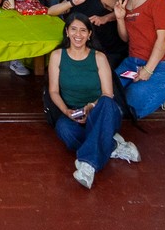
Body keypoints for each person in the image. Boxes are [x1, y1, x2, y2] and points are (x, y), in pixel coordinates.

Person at [48, 14, 140, 190]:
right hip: (74, 112)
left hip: (101, 110)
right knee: (63, 129)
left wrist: (91, 107)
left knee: (106, 102)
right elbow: (53, 91)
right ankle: (112, 145)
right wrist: (66, 111)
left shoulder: (98, 57)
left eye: (83, 30)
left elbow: (107, 94)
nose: (78, 34)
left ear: (89, 34)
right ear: (67, 32)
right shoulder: (57, 56)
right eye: (73, 29)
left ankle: (88, 165)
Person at [48, 0, 126, 69]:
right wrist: (73, 2)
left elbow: (123, 10)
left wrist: (105, 18)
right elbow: (51, 11)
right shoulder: (68, 2)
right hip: (85, 51)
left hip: (111, 50)